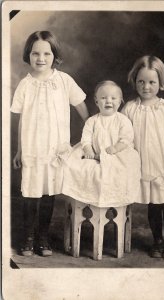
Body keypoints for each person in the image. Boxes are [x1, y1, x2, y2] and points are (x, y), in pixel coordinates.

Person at [11, 31, 89, 257]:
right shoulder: (25, 85)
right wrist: (19, 150)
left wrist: (92, 131)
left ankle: (43, 238)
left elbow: (81, 106)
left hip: (56, 150)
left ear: (54, 55)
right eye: (35, 53)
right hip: (33, 150)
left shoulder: (64, 81)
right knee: (30, 194)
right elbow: (21, 121)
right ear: (29, 55)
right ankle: (27, 238)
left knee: (48, 194)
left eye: (47, 53)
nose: (41, 58)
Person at [121, 55, 164, 259]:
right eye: (141, 81)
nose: (146, 87)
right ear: (135, 81)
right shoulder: (130, 108)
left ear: (161, 82)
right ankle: (157, 241)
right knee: (153, 204)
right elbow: (122, 134)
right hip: (144, 167)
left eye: (152, 82)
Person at [62, 80, 141, 207]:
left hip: (116, 153)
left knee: (122, 168)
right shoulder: (92, 121)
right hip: (94, 152)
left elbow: (126, 139)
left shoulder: (122, 120)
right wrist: (88, 149)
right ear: (97, 101)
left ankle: (114, 197)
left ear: (120, 101)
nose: (108, 101)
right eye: (103, 98)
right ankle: (87, 197)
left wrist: (115, 149)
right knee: (78, 166)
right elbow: (86, 138)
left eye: (113, 98)